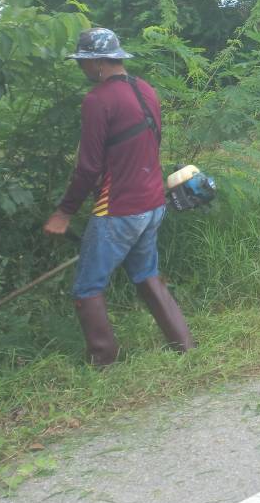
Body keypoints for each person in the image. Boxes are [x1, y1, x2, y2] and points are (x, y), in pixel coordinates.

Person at [42, 27, 195, 365]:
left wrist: (64, 212)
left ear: (98, 62)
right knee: (146, 274)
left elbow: (88, 167)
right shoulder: (146, 90)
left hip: (119, 210)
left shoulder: (97, 100)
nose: (82, 69)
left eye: (83, 62)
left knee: (87, 287)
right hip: (152, 204)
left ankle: (103, 361)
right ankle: (183, 345)